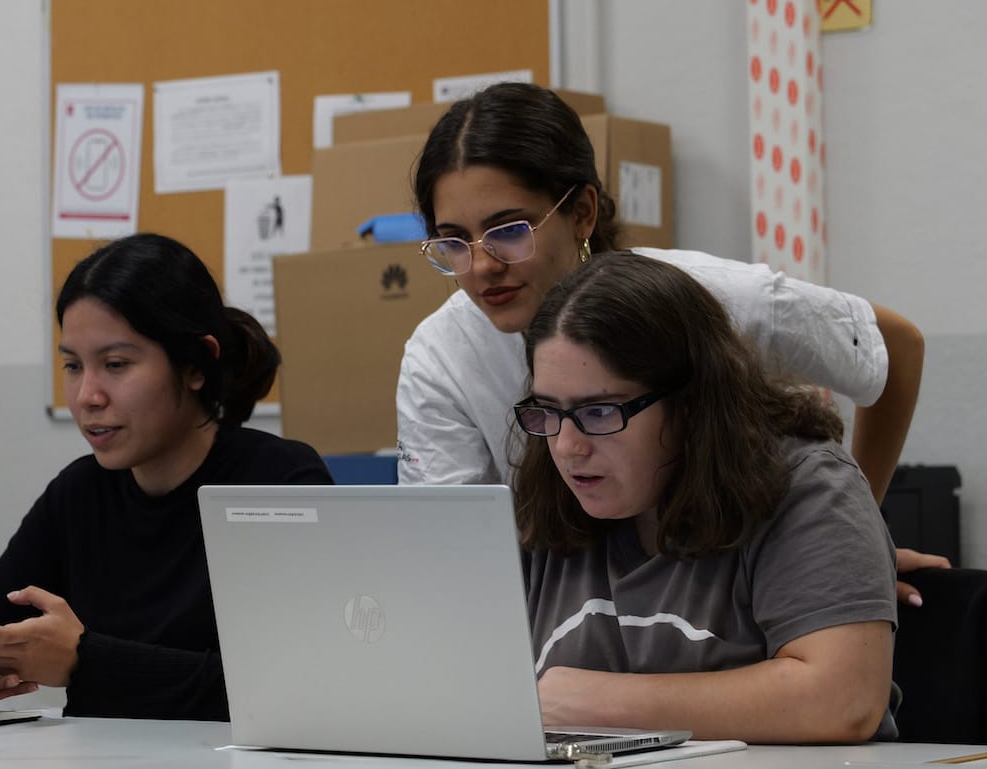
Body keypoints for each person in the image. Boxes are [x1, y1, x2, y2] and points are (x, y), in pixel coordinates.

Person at [395, 81, 947, 604]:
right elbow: (449, 559)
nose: (484, 265)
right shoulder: (442, 357)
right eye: (453, 241)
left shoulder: (711, 301)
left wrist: (855, 540)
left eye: (510, 230)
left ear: (582, 211)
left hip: (742, 606)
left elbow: (894, 349)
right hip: (577, 630)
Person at [0, 233, 332, 720]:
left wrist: (84, 658)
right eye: (73, 366)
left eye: (116, 365)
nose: (86, 395)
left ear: (196, 366)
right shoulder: (78, 494)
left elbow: (299, 687)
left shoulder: (278, 482)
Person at [515, 252, 897, 742]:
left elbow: (843, 700)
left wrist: (598, 704)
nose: (567, 447)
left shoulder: (808, 488)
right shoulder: (544, 501)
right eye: (547, 411)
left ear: (690, 401)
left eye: (600, 412)